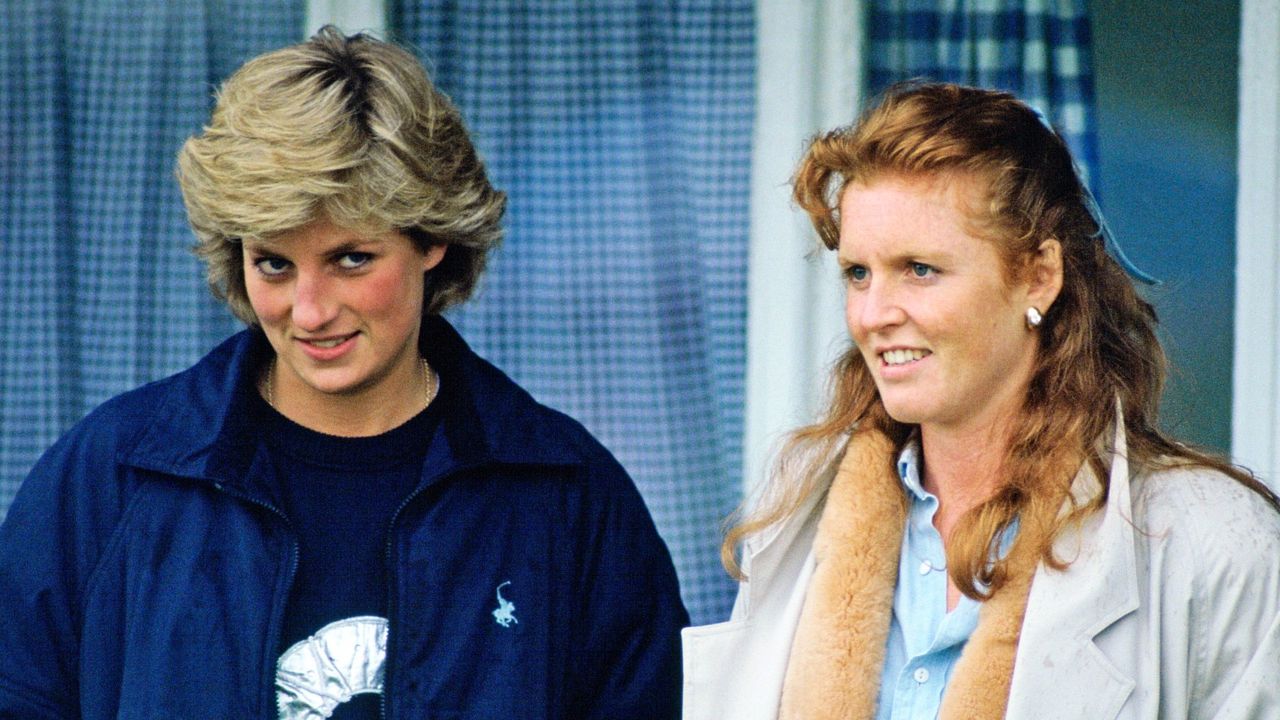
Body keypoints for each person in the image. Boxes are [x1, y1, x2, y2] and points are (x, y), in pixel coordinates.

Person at [0, 27, 687, 719]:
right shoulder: (111, 479)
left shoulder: (566, 497)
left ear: (433, 239)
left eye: (351, 259)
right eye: (274, 262)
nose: (309, 310)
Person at [681, 82, 1280, 720]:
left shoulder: (1215, 541)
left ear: (1039, 276)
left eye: (920, 269)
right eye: (858, 273)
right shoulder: (800, 518)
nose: (875, 314)